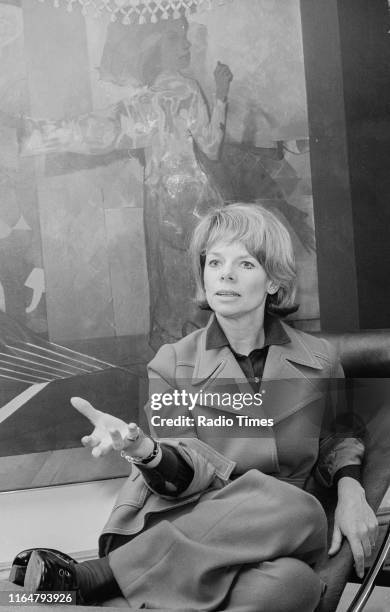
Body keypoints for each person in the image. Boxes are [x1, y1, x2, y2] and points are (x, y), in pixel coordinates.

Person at [11, 204, 378, 611]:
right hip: (188, 514)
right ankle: (114, 578)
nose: (226, 274)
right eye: (215, 261)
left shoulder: (321, 359)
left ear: (273, 281)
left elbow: (341, 435)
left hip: (281, 530)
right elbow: (179, 470)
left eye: (246, 263)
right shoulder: (172, 363)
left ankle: (111, 580)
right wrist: (143, 451)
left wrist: (351, 489)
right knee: (295, 580)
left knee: (299, 530)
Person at [18, 15, 232, 350]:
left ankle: (177, 354)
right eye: (175, 38)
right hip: (190, 200)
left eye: (185, 36)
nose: (186, 44)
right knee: (190, 279)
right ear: (153, 46)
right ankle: (192, 356)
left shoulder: (163, 94)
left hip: (167, 199)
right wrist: (221, 96)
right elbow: (211, 146)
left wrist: (41, 134)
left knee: (173, 279)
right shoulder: (178, 91)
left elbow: (111, 129)